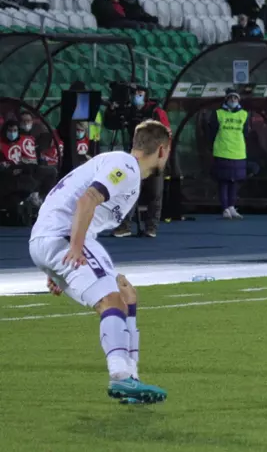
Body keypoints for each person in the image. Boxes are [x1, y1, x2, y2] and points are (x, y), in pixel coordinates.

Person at [28, 120, 171, 403]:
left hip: (51, 238)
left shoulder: (117, 165)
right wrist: (74, 248)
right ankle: (121, 376)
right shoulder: (126, 167)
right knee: (112, 301)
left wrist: (56, 269)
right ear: (162, 151)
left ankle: (131, 380)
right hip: (64, 236)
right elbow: (87, 199)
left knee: (126, 297)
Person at [104, 85, 170, 238]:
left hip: (154, 155)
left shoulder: (156, 112)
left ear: (146, 96)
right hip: (135, 156)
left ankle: (151, 228)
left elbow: (166, 133)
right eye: (135, 94)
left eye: (140, 94)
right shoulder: (129, 111)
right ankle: (124, 226)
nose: (137, 96)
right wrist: (111, 110)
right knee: (129, 191)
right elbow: (111, 124)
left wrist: (162, 156)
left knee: (155, 192)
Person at [208, 89, 249, 219]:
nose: (233, 100)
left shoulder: (244, 114)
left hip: (238, 152)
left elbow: (246, 132)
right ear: (226, 100)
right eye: (231, 98)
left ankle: (232, 207)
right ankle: (225, 208)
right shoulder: (218, 114)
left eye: (235, 98)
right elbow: (211, 132)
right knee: (223, 181)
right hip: (222, 151)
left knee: (234, 181)